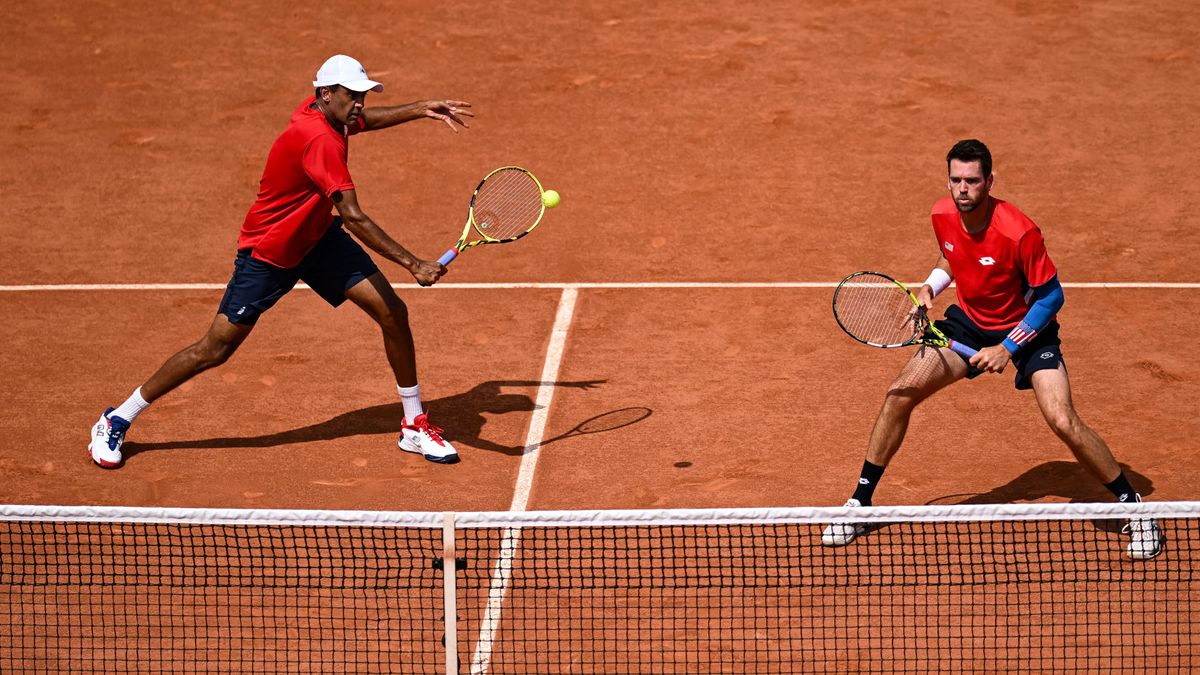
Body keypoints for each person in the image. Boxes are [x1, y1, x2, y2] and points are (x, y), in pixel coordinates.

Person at [89, 55, 474, 468]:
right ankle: (118, 417)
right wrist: (413, 263)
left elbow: (363, 122)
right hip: (270, 252)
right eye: (352, 95)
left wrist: (417, 109)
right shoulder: (318, 140)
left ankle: (414, 424)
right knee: (215, 349)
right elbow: (354, 217)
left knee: (392, 312)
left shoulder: (322, 112)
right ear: (327, 94)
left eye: (362, 95)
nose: (359, 102)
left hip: (317, 240)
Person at [821, 139, 1162, 560]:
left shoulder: (1019, 231)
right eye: (955, 180)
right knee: (898, 395)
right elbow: (951, 257)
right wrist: (932, 286)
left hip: (1027, 330)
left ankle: (1136, 508)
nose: (962, 189)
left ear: (989, 182)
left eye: (972, 181)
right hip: (968, 324)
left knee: (1062, 419)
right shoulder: (942, 213)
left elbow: (1051, 297)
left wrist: (1007, 346)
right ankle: (860, 503)